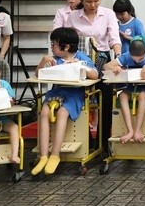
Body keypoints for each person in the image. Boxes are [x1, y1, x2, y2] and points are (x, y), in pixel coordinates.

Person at [32, 28, 98, 175]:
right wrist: (43, 61)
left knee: (62, 113)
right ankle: (43, 156)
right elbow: (37, 74)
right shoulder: (54, 59)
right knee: (44, 112)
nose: (51, 47)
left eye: (54, 44)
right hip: (57, 91)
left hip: (75, 93)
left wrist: (81, 66)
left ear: (66, 46)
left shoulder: (81, 57)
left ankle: (55, 155)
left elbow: (95, 75)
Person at [66, 0, 121, 152]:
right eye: (89, 2)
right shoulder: (73, 16)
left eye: (96, 1)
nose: (93, 5)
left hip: (102, 59)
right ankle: (86, 139)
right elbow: (67, 39)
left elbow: (114, 38)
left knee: (106, 98)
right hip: (79, 61)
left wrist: (118, 57)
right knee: (80, 98)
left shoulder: (108, 14)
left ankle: (103, 141)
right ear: (82, 1)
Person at [103, 39, 145, 143]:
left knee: (142, 96)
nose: (137, 61)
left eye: (140, 59)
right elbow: (106, 66)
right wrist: (116, 68)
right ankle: (130, 130)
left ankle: (138, 130)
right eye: (134, 59)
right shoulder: (127, 56)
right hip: (132, 87)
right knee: (122, 95)